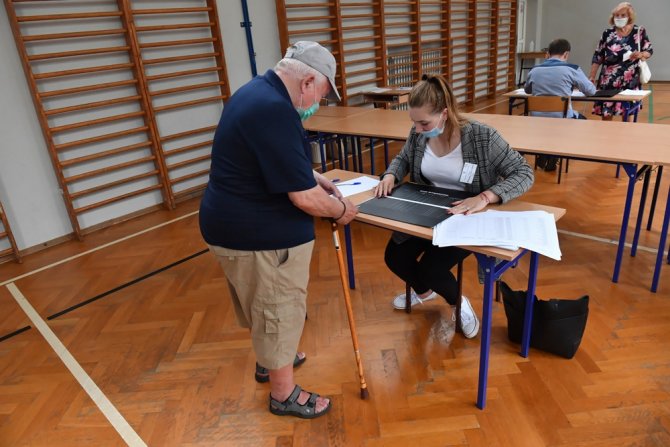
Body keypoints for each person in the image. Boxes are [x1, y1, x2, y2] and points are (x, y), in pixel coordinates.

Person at [199, 41, 357, 419]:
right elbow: (303, 199)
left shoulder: (258, 92)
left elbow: (275, 158)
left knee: (265, 307)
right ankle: (283, 394)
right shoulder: (274, 110)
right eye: (322, 92)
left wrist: (314, 176)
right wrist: (341, 209)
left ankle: (273, 360)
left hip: (235, 226)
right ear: (307, 82)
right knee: (277, 309)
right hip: (258, 238)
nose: (320, 101)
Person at [373, 74, 534, 339]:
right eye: (413, 122)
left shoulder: (482, 136)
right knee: (395, 257)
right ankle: (424, 292)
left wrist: (485, 197)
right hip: (426, 210)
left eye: (424, 122)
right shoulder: (419, 133)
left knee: (432, 268)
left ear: (445, 114)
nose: (418, 129)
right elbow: (403, 158)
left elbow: (523, 172)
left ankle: (458, 304)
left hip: (465, 216)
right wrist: (391, 174)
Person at [524, 38, 596, 171]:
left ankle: (545, 152)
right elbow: (590, 91)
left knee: (548, 126)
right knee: (584, 122)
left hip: (537, 119)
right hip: (561, 119)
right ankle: (557, 151)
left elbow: (527, 90)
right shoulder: (572, 69)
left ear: (548, 53)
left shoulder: (534, 69)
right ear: (566, 54)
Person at [589, 2, 653, 121]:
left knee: (629, 117)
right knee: (607, 116)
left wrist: (641, 54)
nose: (619, 18)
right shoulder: (607, 33)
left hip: (631, 80)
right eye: (616, 15)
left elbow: (649, 50)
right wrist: (592, 76)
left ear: (630, 16)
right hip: (608, 80)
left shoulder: (639, 31)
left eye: (622, 15)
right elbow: (598, 56)